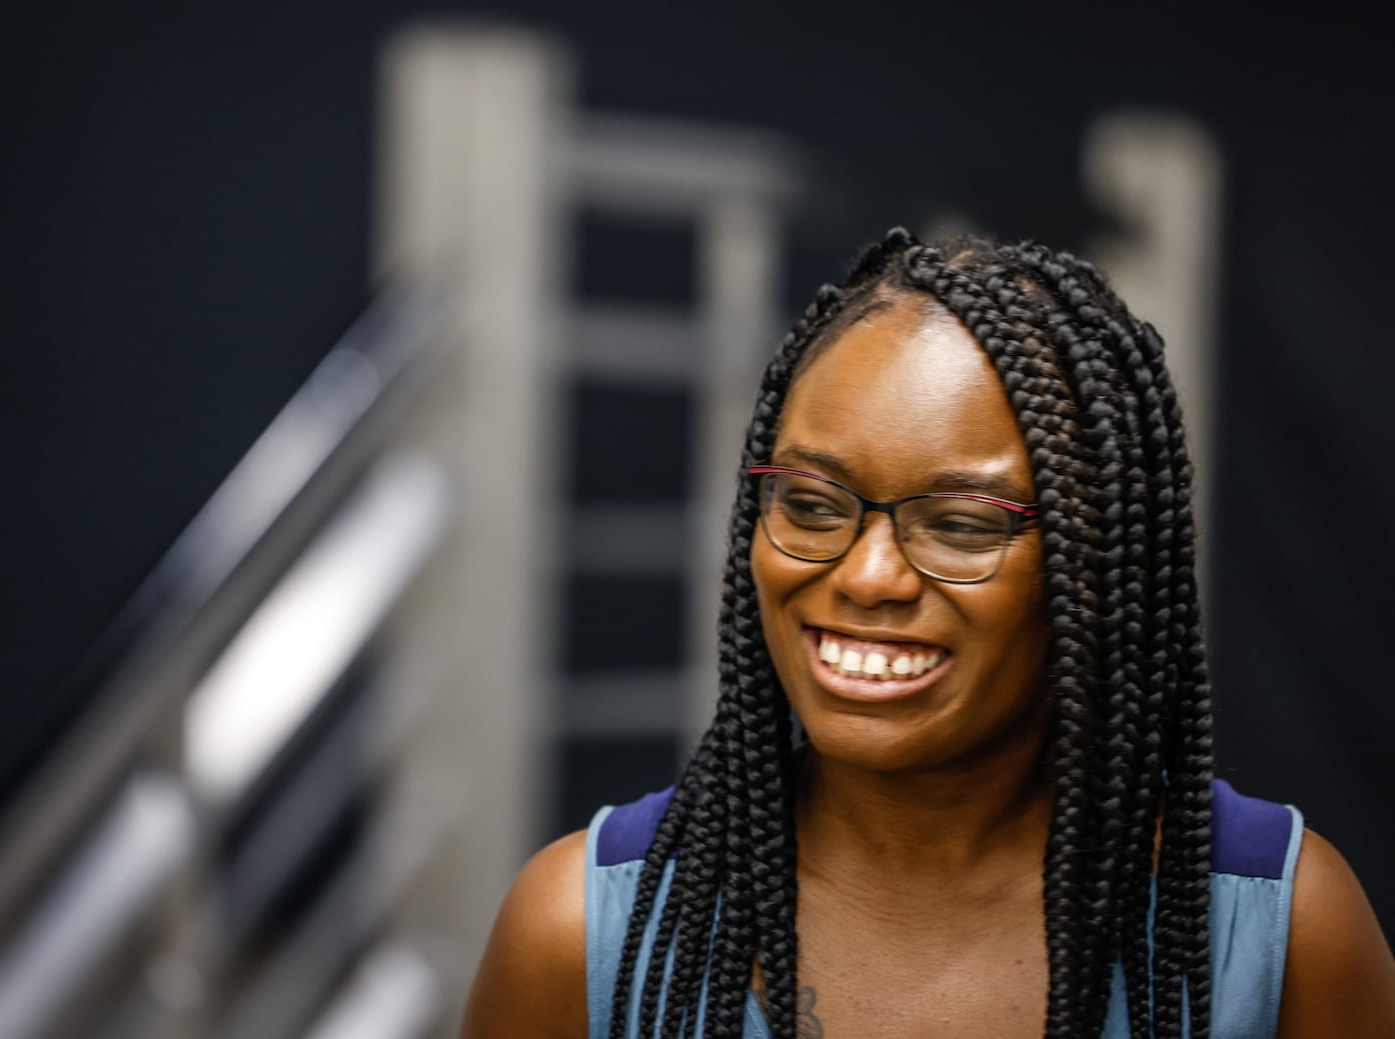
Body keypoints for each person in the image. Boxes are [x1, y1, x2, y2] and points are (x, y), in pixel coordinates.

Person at [458, 229, 1395, 1038]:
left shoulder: (1279, 930)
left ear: (1097, 562)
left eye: (960, 522)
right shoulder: (582, 934)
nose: (866, 576)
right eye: (814, 503)